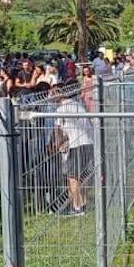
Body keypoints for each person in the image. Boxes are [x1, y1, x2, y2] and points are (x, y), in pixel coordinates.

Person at [51, 82, 95, 216]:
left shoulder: (61, 109)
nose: (50, 96)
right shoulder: (77, 104)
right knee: (81, 176)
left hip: (77, 145)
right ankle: (83, 204)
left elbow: (58, 129)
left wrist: (56, 143)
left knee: (73, 177)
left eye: (53, 93)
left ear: (59, 93)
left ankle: (77, 207)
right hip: (88, 142)